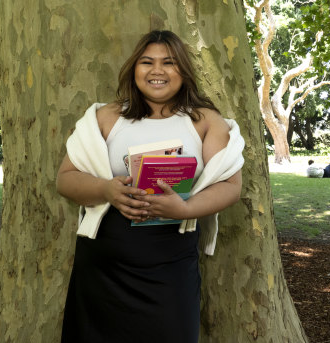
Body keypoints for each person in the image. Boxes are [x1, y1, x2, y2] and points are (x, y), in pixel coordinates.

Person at [56, 30, 244, 342]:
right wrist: (106, 190)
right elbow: (65, 178)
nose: (157, 71)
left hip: (171, 267)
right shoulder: (105, 118)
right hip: (104, 268)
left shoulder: (206, 121)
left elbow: (231, 185)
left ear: (183, 70)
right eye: (147, 62)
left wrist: (185, 208)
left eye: (169, 63)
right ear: (134, 69)